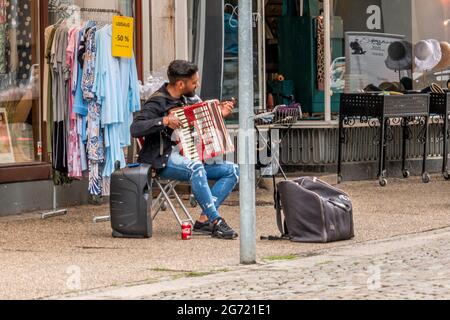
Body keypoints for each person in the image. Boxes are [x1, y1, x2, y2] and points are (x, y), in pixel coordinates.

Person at [131, 60, 239, 240]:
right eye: (194, 82)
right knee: (196, 167)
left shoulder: (190, 99)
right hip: (162, 160)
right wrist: (164, 121)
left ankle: (204, 220)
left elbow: (202, 128)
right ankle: (216, 221)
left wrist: (220, 115)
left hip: (190, 156)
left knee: (232, 170)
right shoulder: (157, 102)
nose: (197, 85)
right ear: (181, 84)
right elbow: (135, 128)